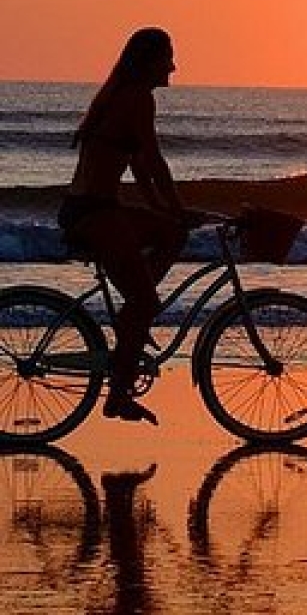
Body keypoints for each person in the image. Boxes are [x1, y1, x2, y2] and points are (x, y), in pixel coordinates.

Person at [58, 27, 187, 425]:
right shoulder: (137, 98)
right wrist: (178, 207)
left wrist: (167, 212)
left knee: (170, 233)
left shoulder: (121, 95)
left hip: (93, 209)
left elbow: (141, 170)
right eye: (167, 58)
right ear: (149, 62)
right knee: (146, 302)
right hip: (94, 213)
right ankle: (118, 393)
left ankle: (134, 315)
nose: (173, 67)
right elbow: (155, 161)